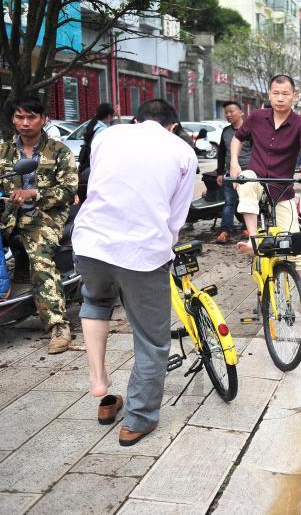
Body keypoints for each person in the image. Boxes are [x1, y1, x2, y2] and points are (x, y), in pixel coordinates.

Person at [73, 98, 197, 447]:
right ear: (172, 126)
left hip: (90, 243)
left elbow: (99, 182)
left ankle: (99, 380)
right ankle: (138, 420)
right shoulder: (182, 151)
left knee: (95, 301)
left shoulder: (107, 137)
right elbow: (176, 216)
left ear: (136, 120)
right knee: (152, 340)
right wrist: (164, 246)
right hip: (142, 253)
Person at [0, 97, 78, 353]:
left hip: (45, 216)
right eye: (19, 117)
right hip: (8, 215)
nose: (24, 123)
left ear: (43, 119)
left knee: (40, 259)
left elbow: (68, 190)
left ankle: (58, 326)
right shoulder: (2, 152)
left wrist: (33, 194)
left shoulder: (59, 151)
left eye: (31, 117)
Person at [229, 74, 301, 287]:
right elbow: (237, 138)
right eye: (275, 93)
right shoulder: (257, 117)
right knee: (247, 177)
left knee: (297, 251)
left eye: (285, 94)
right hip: (257, 182)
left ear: (293, 96)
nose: (280, 98)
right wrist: (234, 162)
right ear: (269, 94)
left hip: (282, 189)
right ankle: (253, 240)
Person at [215, 102, 251, 244]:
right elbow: (222, 153)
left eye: (231, 111)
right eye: (226, 113)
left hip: (248, 173)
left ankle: (247, 227)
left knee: (248, 201)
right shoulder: (225, 131)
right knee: (229, 202)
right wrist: (219, 172)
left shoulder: (250, 130)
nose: (228, 115)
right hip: (230, 173)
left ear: (241, 112)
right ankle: (225, 231)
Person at [76, 104, 115, 202]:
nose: (112, 119)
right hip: (97, 167)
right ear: (108, 116)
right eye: (113, 116)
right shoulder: (103, 130)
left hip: (87, 165)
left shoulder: (93, 125)